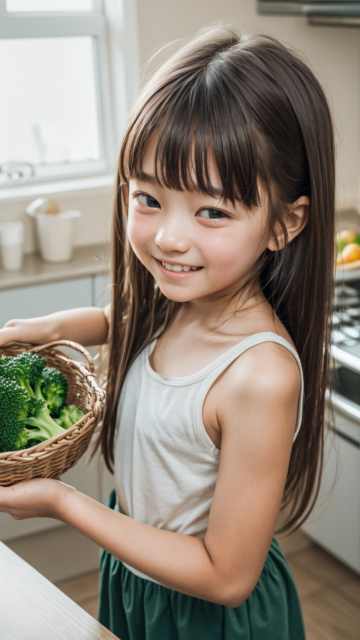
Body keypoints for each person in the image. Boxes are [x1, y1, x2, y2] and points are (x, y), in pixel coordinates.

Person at [0, 25, 335, 640]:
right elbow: (119, 322)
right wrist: (48, 325)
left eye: (212, 211)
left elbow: (226, 576)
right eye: (148, 197)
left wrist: (62, 501)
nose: (169, 237)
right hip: (138, 577)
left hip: (210, 615)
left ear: (285, 224)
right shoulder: (179, 296)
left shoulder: (259, 375)